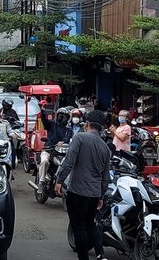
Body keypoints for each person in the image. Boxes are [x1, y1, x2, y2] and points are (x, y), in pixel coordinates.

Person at [54, 110, 111, 260]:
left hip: (78, 192)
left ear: (86, 124)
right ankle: (101, 256)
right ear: (102, 128)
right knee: (90, 224)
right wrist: (101, 196)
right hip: (94, 194)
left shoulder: (79, 138)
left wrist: (59, 181)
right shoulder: (105, 148)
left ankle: (83, 258)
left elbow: (68, 162)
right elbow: (105, 177)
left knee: (78, 227)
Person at [38, 107, 73, 193]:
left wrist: (63, 141)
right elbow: (44, 121)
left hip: (62, 154)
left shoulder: (68, 130)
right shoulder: (51, 124)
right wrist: (43, 112)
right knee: (44, 161)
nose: (62, 118)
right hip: (49, 150)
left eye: (64, 116)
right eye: (60, 115)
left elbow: (68, 138)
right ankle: (41, 183)